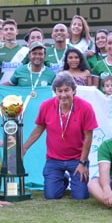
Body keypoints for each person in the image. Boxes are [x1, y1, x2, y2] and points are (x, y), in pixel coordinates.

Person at [22, 72, 98, 200]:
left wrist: (82, 162)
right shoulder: (46, 106)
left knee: (80, 197)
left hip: (76, 159)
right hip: (54, 159)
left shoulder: (86, 107)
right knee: (51, 196)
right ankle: (63, 180)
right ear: (55, 92)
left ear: (74, 90)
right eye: (59, 91)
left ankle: (74, 179)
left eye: (67, 90)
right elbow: (39, 128)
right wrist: (25, 147)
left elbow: (88, 137)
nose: (63, 95)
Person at [0, 19, 28, 84]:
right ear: (3, 32)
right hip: (2, 90)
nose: (9, 31)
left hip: (20, 89)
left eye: (11, 29)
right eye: (6, 29)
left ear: (17, 32)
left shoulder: (25, 51)